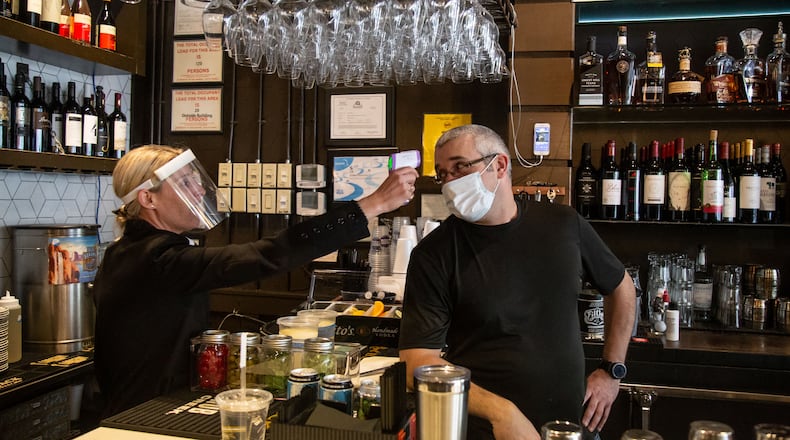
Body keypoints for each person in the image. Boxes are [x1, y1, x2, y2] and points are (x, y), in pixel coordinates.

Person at [94, 145, 418, 417]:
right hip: (141, 417)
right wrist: (371, 205)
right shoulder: (155, 259)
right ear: (148, 199)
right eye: (185, 184)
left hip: (152, 406)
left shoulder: (133, 251)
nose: (199, 191)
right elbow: (269, 255)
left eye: (195, 181)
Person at [398, 125, 635, 440]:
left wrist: (611, 370)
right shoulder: (434, 253)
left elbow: (622, 287)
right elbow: (417, 361)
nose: (450, 183)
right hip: (486, 429)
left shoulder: (563, 224)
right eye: (443, 174)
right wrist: (501, 411)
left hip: (569, 426)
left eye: (459, 167)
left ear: (499, 165)